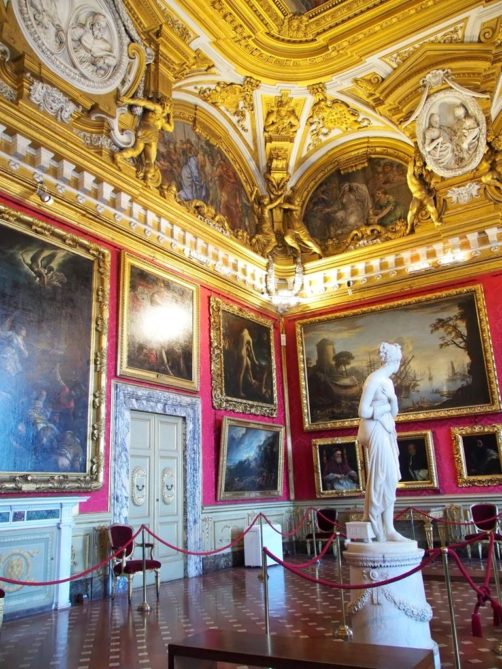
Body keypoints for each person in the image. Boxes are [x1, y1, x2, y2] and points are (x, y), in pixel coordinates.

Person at [357, 342, 411, 542]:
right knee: (382, 475)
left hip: (387, 428)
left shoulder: (388, 382)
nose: (400, 364)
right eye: (399, 361)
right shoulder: (374, 379)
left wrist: (393, 401)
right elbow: (363, 411)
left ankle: (389, 528)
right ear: (394, 361)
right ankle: (377, 526)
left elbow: (394, 413)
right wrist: (385, 408)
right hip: (376, 429)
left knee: (390, 476)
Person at [114, 95, 174, 183]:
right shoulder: (158, 109)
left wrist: (170, 114)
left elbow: (171, 128)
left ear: (169, 109)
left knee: (136, 151)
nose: (164, 107)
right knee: (150, 161)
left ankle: (118, 155)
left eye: (167, 105)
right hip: (151, 133)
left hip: (142, 130)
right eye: (163, 104)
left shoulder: (161, 120)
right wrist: (128, 100)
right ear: (159, 103)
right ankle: (147, 179)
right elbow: (144, 103)